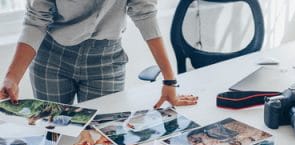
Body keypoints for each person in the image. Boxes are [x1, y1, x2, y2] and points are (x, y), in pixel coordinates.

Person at [0, 1, 198, 108]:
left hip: (105, 60)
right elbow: (35, 21)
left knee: (102, 135)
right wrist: (12, 78)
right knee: (54, 134)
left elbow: (145, 14)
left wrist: (169, 81)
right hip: (52, 57)